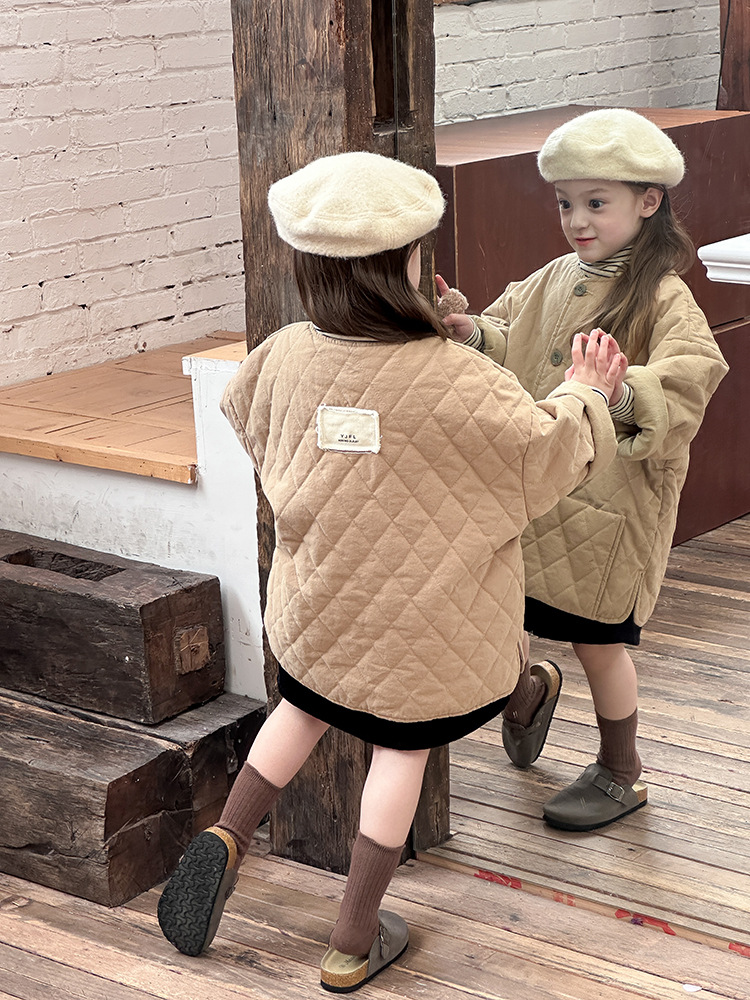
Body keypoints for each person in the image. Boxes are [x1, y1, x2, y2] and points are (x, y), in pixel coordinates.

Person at [157, 150, 624, 991]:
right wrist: (586, 390)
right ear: (408, 260)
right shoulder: (460, 379)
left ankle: (226, 835)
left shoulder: (282, 355)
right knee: (401, 752)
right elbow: (549, 454)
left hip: (318, 611)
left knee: (300, 712)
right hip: (428, 632)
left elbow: (248, 414)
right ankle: (352, 939)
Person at [437, 108, 729, 833]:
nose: (577, 220)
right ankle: (528, 692)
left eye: (596, 202)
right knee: (500, 612)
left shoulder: (664, 296)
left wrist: (621, 391)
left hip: (608, 505)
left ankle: (622, 772)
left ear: (648, 200)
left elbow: (693, 377)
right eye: (566, 203)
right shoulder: (555, 277)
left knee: (597, 642)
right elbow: (513, 336)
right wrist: (471, 331)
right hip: (535, 491)